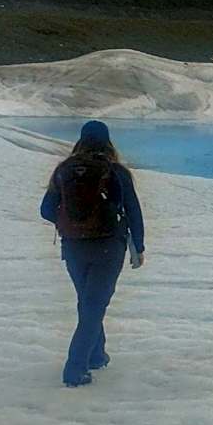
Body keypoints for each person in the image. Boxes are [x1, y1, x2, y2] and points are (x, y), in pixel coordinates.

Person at [40, 120, 146, 387]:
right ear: (108, 141)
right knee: (94, 305)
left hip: (73, 246)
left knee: (87, 302)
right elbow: (133, 210)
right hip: (109, 247)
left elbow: (45, 209)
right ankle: (75, 369)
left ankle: (96, 355)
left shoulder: (64, 170)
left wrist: (71, 223)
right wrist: (139, 246)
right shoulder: (116, 171)